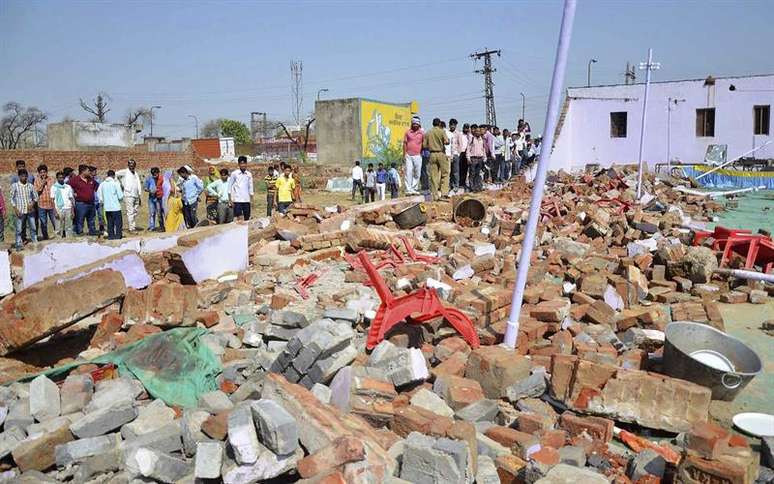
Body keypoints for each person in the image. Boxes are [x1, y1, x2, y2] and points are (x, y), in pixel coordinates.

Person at [10, 169, 38, 249]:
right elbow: (11, 199)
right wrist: (16, 209)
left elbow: (36, 197)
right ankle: (18, 244)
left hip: (30, 211)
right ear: (19, 176)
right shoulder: (15, 186)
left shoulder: (30, 186)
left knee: (33, 227)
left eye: (25, 176)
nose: (24, 178)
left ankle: (35, 242)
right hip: (20, 210)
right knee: (19, 229)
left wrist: (32, 204)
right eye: (22, 176)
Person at [423, 118, 450, 200]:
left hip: (432, 155)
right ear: (439, 124)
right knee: (445, 174)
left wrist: (432, 145)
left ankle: (435, 195)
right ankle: (444, 193)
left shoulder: (428, 133)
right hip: (441, 153)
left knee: (433, 176)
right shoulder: (442, 131)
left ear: (432, 124)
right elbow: (446, 142)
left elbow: (424, 146)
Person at [69, 164, 99, 236]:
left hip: (91, 203)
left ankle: (92, 231)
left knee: (92, 219)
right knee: (80, 219)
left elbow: (97, 186)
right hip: (81, 204)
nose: (89, 172)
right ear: (83, 171)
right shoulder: (75, 180)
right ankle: (80, 232)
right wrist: (73, 193)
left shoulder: (91, 179)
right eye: (88, 170)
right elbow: (67, 187)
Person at [116, 159, 142, 232]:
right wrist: (120, 184)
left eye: (133, 165)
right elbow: (115, 174)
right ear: (128, 165)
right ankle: (131, 228)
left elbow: (138, 184)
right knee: (130, 211)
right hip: (128, 195)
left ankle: (133, 225)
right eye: (130, 165)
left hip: (136, 195)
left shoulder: (136, 173)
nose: (132, 166)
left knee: (135, 211)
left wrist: (139, 195)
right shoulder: (125, 172)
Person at [97, 170, 124, 240]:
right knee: (118, 223)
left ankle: (111, 236)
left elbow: (99, 194)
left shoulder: (102, 184)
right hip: (116, 207)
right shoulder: (115, 183)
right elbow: (120, 196)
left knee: (110, 223)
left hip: (107, 208)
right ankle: (118, 236)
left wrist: (103, 201)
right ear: (113, 176)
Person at [33, 164, 56, 240]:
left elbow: (55, 190)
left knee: (54, 221)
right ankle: (45, 237)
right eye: (41, 172)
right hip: (41, 205)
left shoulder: (51, 179)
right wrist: (42, 183)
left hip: (51, 204)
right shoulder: (36, 180)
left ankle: (58, 235)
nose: (43, 174)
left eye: (44, 172)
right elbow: (36, 191)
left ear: (47, 172)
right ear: (39, 173)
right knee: (43, 223)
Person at [402, 116, 424, 194]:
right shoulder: (407, 132)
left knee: (417, 173)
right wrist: (404, 154)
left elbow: (424, 144)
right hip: (408, 155)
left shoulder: (422, 133)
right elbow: (404, 144)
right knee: (408, 172)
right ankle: (408, 189)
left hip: (418, 155)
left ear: (419, 124)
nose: (415, 125)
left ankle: (414, 188)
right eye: (414, 124)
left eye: (416, 124)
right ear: (412, 124)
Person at [51, 171, 75, 238]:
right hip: (59, 209)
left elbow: (71, 199)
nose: (61, 179)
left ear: (64, 178)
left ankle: (68, 239)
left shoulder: (68, 187)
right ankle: (58, 241)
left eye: (62, 177)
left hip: (68, 208)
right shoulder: (54, 187)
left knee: (69, 227)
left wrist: (72, 210)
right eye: (59, 178)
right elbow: (52, 200)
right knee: (58, 227)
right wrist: (54, 211)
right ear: (57, 178)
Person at [228, 156, 254, 221]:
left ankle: (246, 231)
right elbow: (229, 186)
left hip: (246, 200)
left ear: (246, 164)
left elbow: (251, 187)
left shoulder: (249, 174)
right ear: (239, 164)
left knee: (247, 219)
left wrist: (252, 200)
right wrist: (230, 199)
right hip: (237, 200)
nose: (243, 165)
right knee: (239, 219)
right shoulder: (234, 174)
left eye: (244, 163)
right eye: (241, 163)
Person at [144, 167, 165, 232]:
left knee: (160, 213)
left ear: (158, 172)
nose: (154, 175)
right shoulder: (149, 179)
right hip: (152, 198)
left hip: (159, 198)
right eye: (153, 174)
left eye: (156, 174)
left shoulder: (162, 178)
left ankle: (162, 226)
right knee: (152, 213)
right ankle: (152, 226)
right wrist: (150, 190)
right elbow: (145, 188)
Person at [467, 124, 486, 192]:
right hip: (473, 158)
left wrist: (484, 157)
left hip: (480, 158)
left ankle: (477, 187)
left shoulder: (482, 140)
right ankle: (472, 187)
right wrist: (468, 158)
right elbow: (468, 149)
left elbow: (483, 149)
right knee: (472, 173)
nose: (478, 132)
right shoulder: (471, 139)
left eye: (479, 131)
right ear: (475, 132)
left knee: (478, 174)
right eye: (477, 131)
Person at [449, 119, 464, 191]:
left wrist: (458, 153)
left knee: (455, 171)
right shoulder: (447, 133)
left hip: (455, 155)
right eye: (451, 124)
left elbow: (460, 145)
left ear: (455, 126)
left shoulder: (458, 134)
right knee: (449, 171)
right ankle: (450, 185)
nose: (452, 126)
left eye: (453, 125)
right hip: (448, 155)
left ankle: (456, 185)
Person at [459, 123, 471, 190]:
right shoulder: (460, 134)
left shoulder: (469, 136)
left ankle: (463, 183)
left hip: (467, 153)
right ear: (463, 128)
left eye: (467, 128)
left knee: (465, 169)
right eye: (465, 128)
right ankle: (460, 183)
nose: (466, 129)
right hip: (461, 153)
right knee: (460, 169)